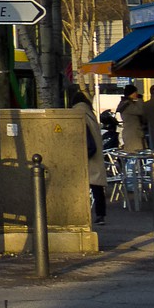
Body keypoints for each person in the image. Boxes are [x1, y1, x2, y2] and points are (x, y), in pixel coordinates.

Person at [68, 85, 107, 225]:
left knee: (80, 187)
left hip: (85, 154)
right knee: (97, 187)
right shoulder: (90, 113)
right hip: (95, 156)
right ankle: (101, 214)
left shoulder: (77, 113)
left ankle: (80, 214)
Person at [116, 83, 147, 152]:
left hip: (132, 133)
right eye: (136, 92)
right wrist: (140, 100)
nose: (137, 94)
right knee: (136, 153)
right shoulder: (128, 105)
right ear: (132, 93)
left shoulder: (126, 103)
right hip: (133, 135)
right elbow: (141, 111)